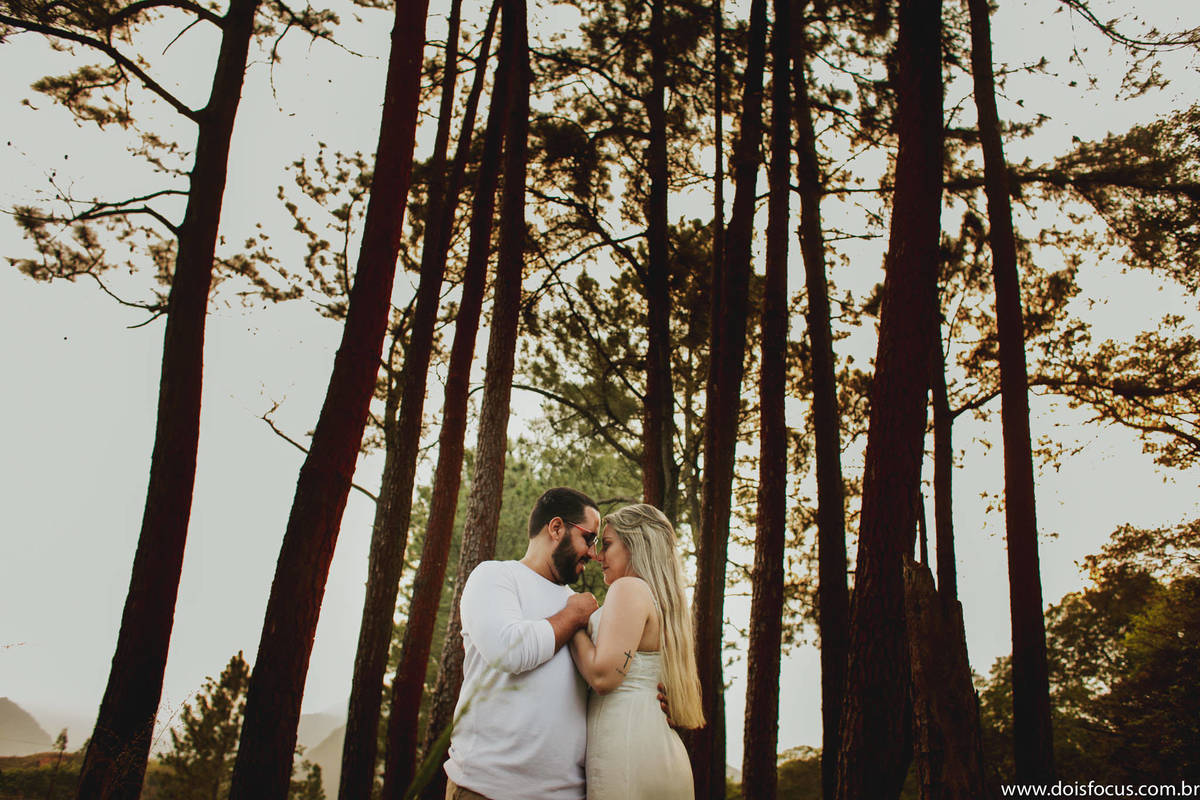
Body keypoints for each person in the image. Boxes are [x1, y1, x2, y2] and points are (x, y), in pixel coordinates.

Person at [442, 486, 601, 800]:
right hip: (485, 790)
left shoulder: (581, 607)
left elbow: (602, 678)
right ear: (556, 528)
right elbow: (509, 651)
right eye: (589, 538)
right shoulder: (495, 577)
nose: (594, 554)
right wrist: (571, 616)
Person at [569, 503, 705, 800]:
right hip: (660, 749)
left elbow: (603, 677)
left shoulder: (628, 587)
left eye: (607, 545)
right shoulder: (664, 602)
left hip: (625, 743)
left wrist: (573, 622)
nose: (598, 556)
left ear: (636, 546)